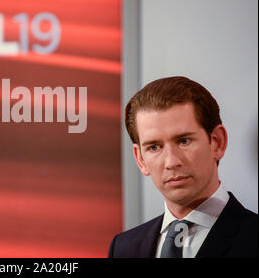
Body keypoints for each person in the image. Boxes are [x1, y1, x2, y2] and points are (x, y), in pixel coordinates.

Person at [109, 76, 257, 258]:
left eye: (184, 141)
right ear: (140, 159)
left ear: (217, 143)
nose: (171, 162)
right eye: (154, 147)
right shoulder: (123, 248)